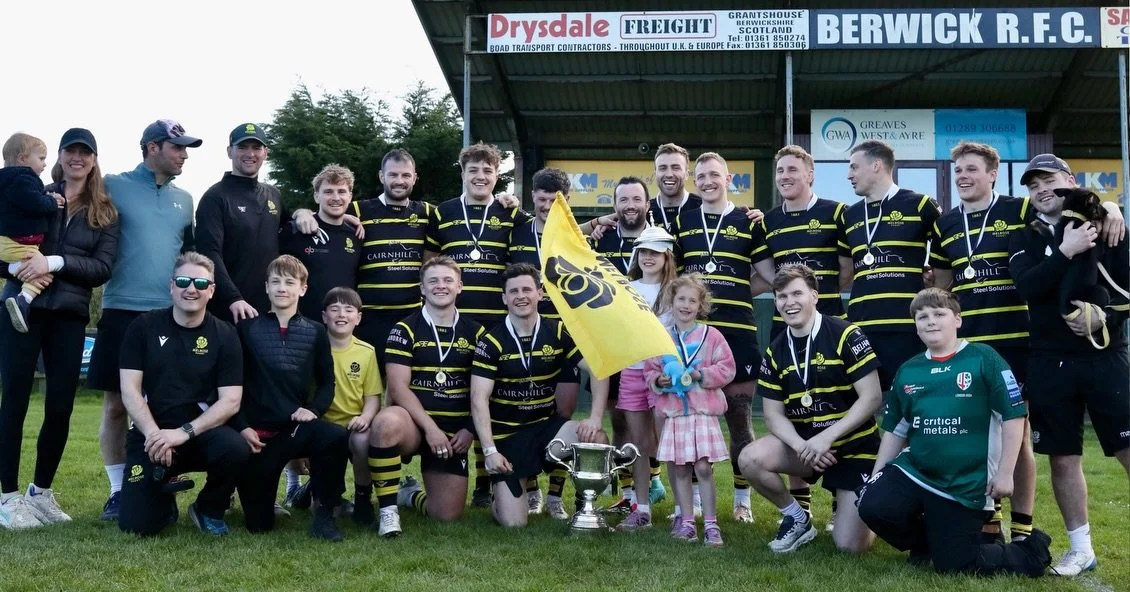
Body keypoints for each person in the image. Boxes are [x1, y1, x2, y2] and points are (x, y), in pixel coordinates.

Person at [856, 288, 1052, 576]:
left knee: (957, 566)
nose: (930, 321)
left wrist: (1005, 473)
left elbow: (1014, 416)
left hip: (962, 485)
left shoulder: (984, 358)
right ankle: (926, 543)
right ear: (915, 325)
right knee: (872, 505)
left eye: (939, 314)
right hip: (916, 472)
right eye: (922, 317)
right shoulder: (909, 370)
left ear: (958, 320)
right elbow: (896, 431)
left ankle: (1031, 551)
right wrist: (875, 477)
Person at [1009, 153, 1130, 576]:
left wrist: (1107, 316)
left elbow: (1126, 290)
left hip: (1106, 357)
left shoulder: (1111, 226)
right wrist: (1065, 251)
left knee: (1127, 447)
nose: (1041, 190)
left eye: (1049, 181)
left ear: (1071, 181)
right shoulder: (1025, 237)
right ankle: (1082, 548)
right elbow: (1027, 286)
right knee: (1062, 457)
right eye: (1032, 184)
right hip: (1048, 360)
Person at [0, 128, 118, 530]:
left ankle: (41, 492)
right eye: (71, 150)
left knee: (61, 407)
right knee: (14, 401)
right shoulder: (33, 192)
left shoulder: (104, 211)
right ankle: (8, 496)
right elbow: (3, 244)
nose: (77, 158)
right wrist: (20, 267)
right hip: (22, 309)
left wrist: (56, 262)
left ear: (94, 159)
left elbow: (103, 268)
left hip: (69, 315)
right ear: (61, 155)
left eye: (85, 152)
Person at [87, 119, 201, 521]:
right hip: (120, 310)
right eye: (178, 148)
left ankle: (157, 484)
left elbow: (190, 257)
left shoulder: (185, 199)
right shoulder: (113, 185)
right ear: (153, 148)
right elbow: (67, 191)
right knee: (117, 405)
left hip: (168, 315)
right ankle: (119, 491)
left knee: (166, 406)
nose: (184, 154)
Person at [931, 142, 1044, 544]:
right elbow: (943, 284)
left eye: (971, 169)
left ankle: (1025, 526)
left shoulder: (1020, 210)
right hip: (971, 346)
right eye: (958, 170)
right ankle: (989, 518)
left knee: (1018, 433)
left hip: (1015, 342)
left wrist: (1111, 209)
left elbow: (1069, 215)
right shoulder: (945, 224)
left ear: (993, 173)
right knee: (979, 434)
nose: (962, 175)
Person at [740, 265, 881, 554]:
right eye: (781, 296)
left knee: (850, 546)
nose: (789, 302)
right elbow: (773, 415)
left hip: (854, 448)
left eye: (796, 294)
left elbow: (871, 398)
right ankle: (797, 517)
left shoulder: (845, 334)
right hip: (806, 448)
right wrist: (802, 445)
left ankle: (875, 504)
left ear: (814, 296)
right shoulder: (776, 349)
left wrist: (825, 438)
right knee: (750, 458)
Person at [752, 145, 853, 530]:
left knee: (836, 408)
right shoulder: (768, 222)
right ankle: (801, 508)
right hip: (786, 332)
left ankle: (839, 502)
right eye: (779, 171)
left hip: (828, 331)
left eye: (792, 170)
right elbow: (765, 275)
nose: (784, 177)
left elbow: (846, 270)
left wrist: (818, 303)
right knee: (796, 413)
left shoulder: (835, 213)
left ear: (810, 174)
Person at [425, 142, 530, 507]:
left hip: (496, 322)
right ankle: (446, 464)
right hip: (453, 322)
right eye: (474, 170)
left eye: (488, 171)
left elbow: (543, 231)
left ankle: (486, 483)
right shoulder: (443, 213)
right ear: (463, 173)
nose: (480, 176)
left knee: (491, 398)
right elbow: (430, 265)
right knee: (457, 394)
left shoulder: (510, 213)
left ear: (497, 175)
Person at [116, 252, 249, 536]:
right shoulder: (143, 327)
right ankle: (163, 494)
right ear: (171, 285)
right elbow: (129, 390)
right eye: (184, 281)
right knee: (136, 526)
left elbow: (231, 400)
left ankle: (209, 508)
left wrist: (183, 432)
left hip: (200, 434)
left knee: (236, 448)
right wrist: (154, 434)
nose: (192, 289)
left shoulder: (225, 334)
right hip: (152, 436)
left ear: (211, 290)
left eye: (201, 283)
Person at [471, 263, 609, 528]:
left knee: (596, 438)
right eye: (513, 291)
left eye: (526, 289)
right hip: (508, 438)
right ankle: (499, 495)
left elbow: (598, 370)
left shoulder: (557, 332)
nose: (520, 296)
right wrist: (489, 451)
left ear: (540, 293)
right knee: (514, 524)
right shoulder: (491, 341)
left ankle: (586, 505)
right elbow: (479, 399)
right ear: (504, 298)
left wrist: (595, 417)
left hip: (546, 431)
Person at [232, 255, 348, 540]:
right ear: (267, 288)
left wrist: (315, 410)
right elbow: (230, 384)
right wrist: (242, 425)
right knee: (258, 526)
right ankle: (288, 492)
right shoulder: (246, 328)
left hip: (293, 430)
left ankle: (324, 514)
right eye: (275, 282)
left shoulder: (316, 332)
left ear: (303, 288)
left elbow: (327, 382)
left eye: (289, 282)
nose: (282, 288)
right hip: (257, 438)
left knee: (333, 436)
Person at [367, 257, 485, 536]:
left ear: (460, 286)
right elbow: (397, 388)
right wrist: (430, 429)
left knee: (446, 515)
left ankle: (408, 496)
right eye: (433, 281)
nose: (440, 286)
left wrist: (469, 429)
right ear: (421, 288)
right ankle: (388, 512)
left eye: (447, 280)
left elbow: (483, 391)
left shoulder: (477, 332)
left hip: (453, 433)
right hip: (414, 427)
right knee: (385, 423)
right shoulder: (404, 329)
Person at [672, 152, 759, 523]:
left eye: (714, 175)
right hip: (692, 335)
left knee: (739, 418)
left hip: (738, 331)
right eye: (701, 176)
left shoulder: (750, 221)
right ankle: (690, 500)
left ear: (729, 178)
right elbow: (669, 274)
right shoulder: (683, 221)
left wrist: (735, 294)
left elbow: (768, 274)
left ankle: (743, 500)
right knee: (688, 417)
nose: (707, 182)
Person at [193, 122, 320, 326]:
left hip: (270, 311)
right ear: (229, 152)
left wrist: (304, 212)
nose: (250, 153)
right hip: (230, 311)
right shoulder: (215, 197)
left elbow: (291, 225)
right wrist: (233, 298)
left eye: (256, 147)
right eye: (242, 147)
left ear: (265, 153)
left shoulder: (273, 194)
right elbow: (209, 254)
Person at [840, 140, 942, 391]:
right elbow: (844, 268)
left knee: (908, 399)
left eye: (854, 167)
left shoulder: (920, 205)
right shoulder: (849, 216)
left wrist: (934, 278)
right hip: (860, 326)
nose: (849, 175)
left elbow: (950, 250)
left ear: (876, 165)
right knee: (862, 401)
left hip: (905, 325)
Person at [505, 167, 578, 517]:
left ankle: (555, 495)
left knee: (562, 414)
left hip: (563, 336)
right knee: (526, 413)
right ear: (532, 196)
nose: (547, 205)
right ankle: (531, 491)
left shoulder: (577, 236)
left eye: (554, 200)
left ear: (565, 201)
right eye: (542, 198)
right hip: (522, 334)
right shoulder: (516, 230)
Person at [593, 176, 667, 514]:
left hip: (655, 360)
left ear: (647, 204)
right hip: (615, 350)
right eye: (624, 200)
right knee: (620, 420)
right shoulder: (600, 238)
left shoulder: (660, 239)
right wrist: (593, 225)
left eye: (637, 198)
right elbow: (553, 234)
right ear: (615, 206)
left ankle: (655, 483)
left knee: (658, 425)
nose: (630, 205)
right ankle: (630, 493)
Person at [644, 275, 735, 547]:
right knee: (680, 469)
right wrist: (657, 381)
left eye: (692, 300)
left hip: (702, 414)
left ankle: (710, 523)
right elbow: (651, 370)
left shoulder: (712, 336)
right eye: (681, 299)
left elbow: (727, 368)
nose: (686, 305)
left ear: (700, 305)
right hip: (675, 414)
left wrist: (700, 374)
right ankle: (685, 521)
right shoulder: (661, 339)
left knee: (704, 468)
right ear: (671, 303)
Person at [615, 226, 678, 532]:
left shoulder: (676, 290)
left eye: (655, 252)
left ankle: (683, 510)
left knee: (672, 443)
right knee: (639, 443)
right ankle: (642, 509)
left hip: (666, 374)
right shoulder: (625, 288)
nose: (648, 257)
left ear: (667, 256)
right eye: (644, 251)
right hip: (632, 371)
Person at [352, 149, 434, 367]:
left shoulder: (428, 213)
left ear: (415, 178)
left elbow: (460, 215)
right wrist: (302, 213)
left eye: (406, 175)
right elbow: (323, 214)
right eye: (393, 175)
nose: (400, 181)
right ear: (381, 176)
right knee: (370, 386)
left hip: (412, 317)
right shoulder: (359, 210)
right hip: (369, 318)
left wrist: (505, 200)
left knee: (405, 383)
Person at [318, 287, 382, 527]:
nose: (341, 314)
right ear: (324, 316)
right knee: (326, 510)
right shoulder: (315, 347)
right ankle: (320, 494)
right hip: (323, 426)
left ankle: (363, 498)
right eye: (334, 309)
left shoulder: (366, 352)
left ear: (358, 317)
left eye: (348, 309)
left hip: (354, 424)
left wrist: (365, 418)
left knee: (362, 441)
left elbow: (373, 397)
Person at [279, 164, 361, 321]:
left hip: (340, 328)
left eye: (341, 191)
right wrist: (301, 213)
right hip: (300, 327)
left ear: (350, 196)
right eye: (328, 191)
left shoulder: (356, 235)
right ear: (316, 196)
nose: (336, 198)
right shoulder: (297, 229)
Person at [0, 132, 64, 333]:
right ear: (22, 159)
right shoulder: (24, 178)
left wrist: (46, 194)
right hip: (18, 243)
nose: (45, 164)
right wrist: (52, 202)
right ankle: (23, 300)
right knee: (44, 272)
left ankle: (17, 280)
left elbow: (24, 200)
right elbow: (34, 203)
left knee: (39, 268)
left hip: (6, 242)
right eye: (41, 158)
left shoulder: (8, 181)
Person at [649, 143, 702, 234]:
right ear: (655, 174)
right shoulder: (644, 210)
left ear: (687, 174)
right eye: (662, 168)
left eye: (676, 168)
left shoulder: (702, 207)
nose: (669, 174)